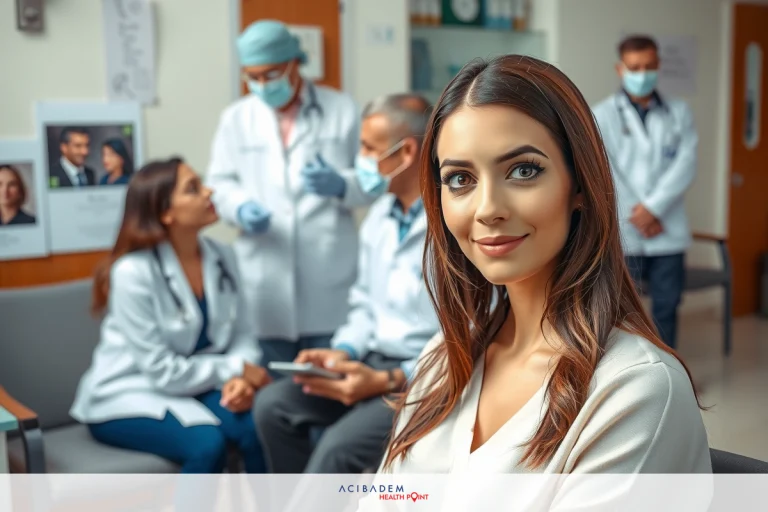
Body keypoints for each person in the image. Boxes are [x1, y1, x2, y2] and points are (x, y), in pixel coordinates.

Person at [359, 55, 709, 508]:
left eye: (523, 170)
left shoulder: (636, 390)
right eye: (460, 179)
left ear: (579, 184)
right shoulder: (443, 359)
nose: (487, 208)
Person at [253, 94, 439, 474]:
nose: (361, 159)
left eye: (369, 148)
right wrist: (343, 351)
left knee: (337, 452)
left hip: (422, 377)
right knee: (273, 405)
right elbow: (365, 304)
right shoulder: (378, 218)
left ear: (406, 152)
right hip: (370, 359)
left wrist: (392, 377)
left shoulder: (450, 226)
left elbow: (469, 334)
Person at [70, 157, 270, 474]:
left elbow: (243, 334)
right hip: (128, 393)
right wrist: (236, 369)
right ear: (166, 212)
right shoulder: (133, 272)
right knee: (207, 445)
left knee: (256, 428)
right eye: (193, 189)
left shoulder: (223, 256)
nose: (209, 192)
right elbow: (163, 373)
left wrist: (241, 381)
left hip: (196, 385)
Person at [206, 20, 376, 372]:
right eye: (252, 76)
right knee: (274, 393)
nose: (261, 85)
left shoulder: (342, 108)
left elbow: (372, 181)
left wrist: (341, 185)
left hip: (329, 275)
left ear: (293, 63)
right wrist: (240, 207)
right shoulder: (236, 118)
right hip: (263, 276)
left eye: (270, 74)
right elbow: (219, 183)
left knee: (329, 387)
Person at [593, 35, 698, 349]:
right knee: (622, 311)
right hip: (627, 228)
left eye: (649, 66)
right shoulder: (603, 115)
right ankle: (630, 377)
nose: (643, 73)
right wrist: (641, 213)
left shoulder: (679, 112)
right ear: (620, 68)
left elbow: (686, 163)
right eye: (635, 67)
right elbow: (605, 173)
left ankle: (672, 374)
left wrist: (653, 208)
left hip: (667, 228)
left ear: (659, 65)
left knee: (667, 306)